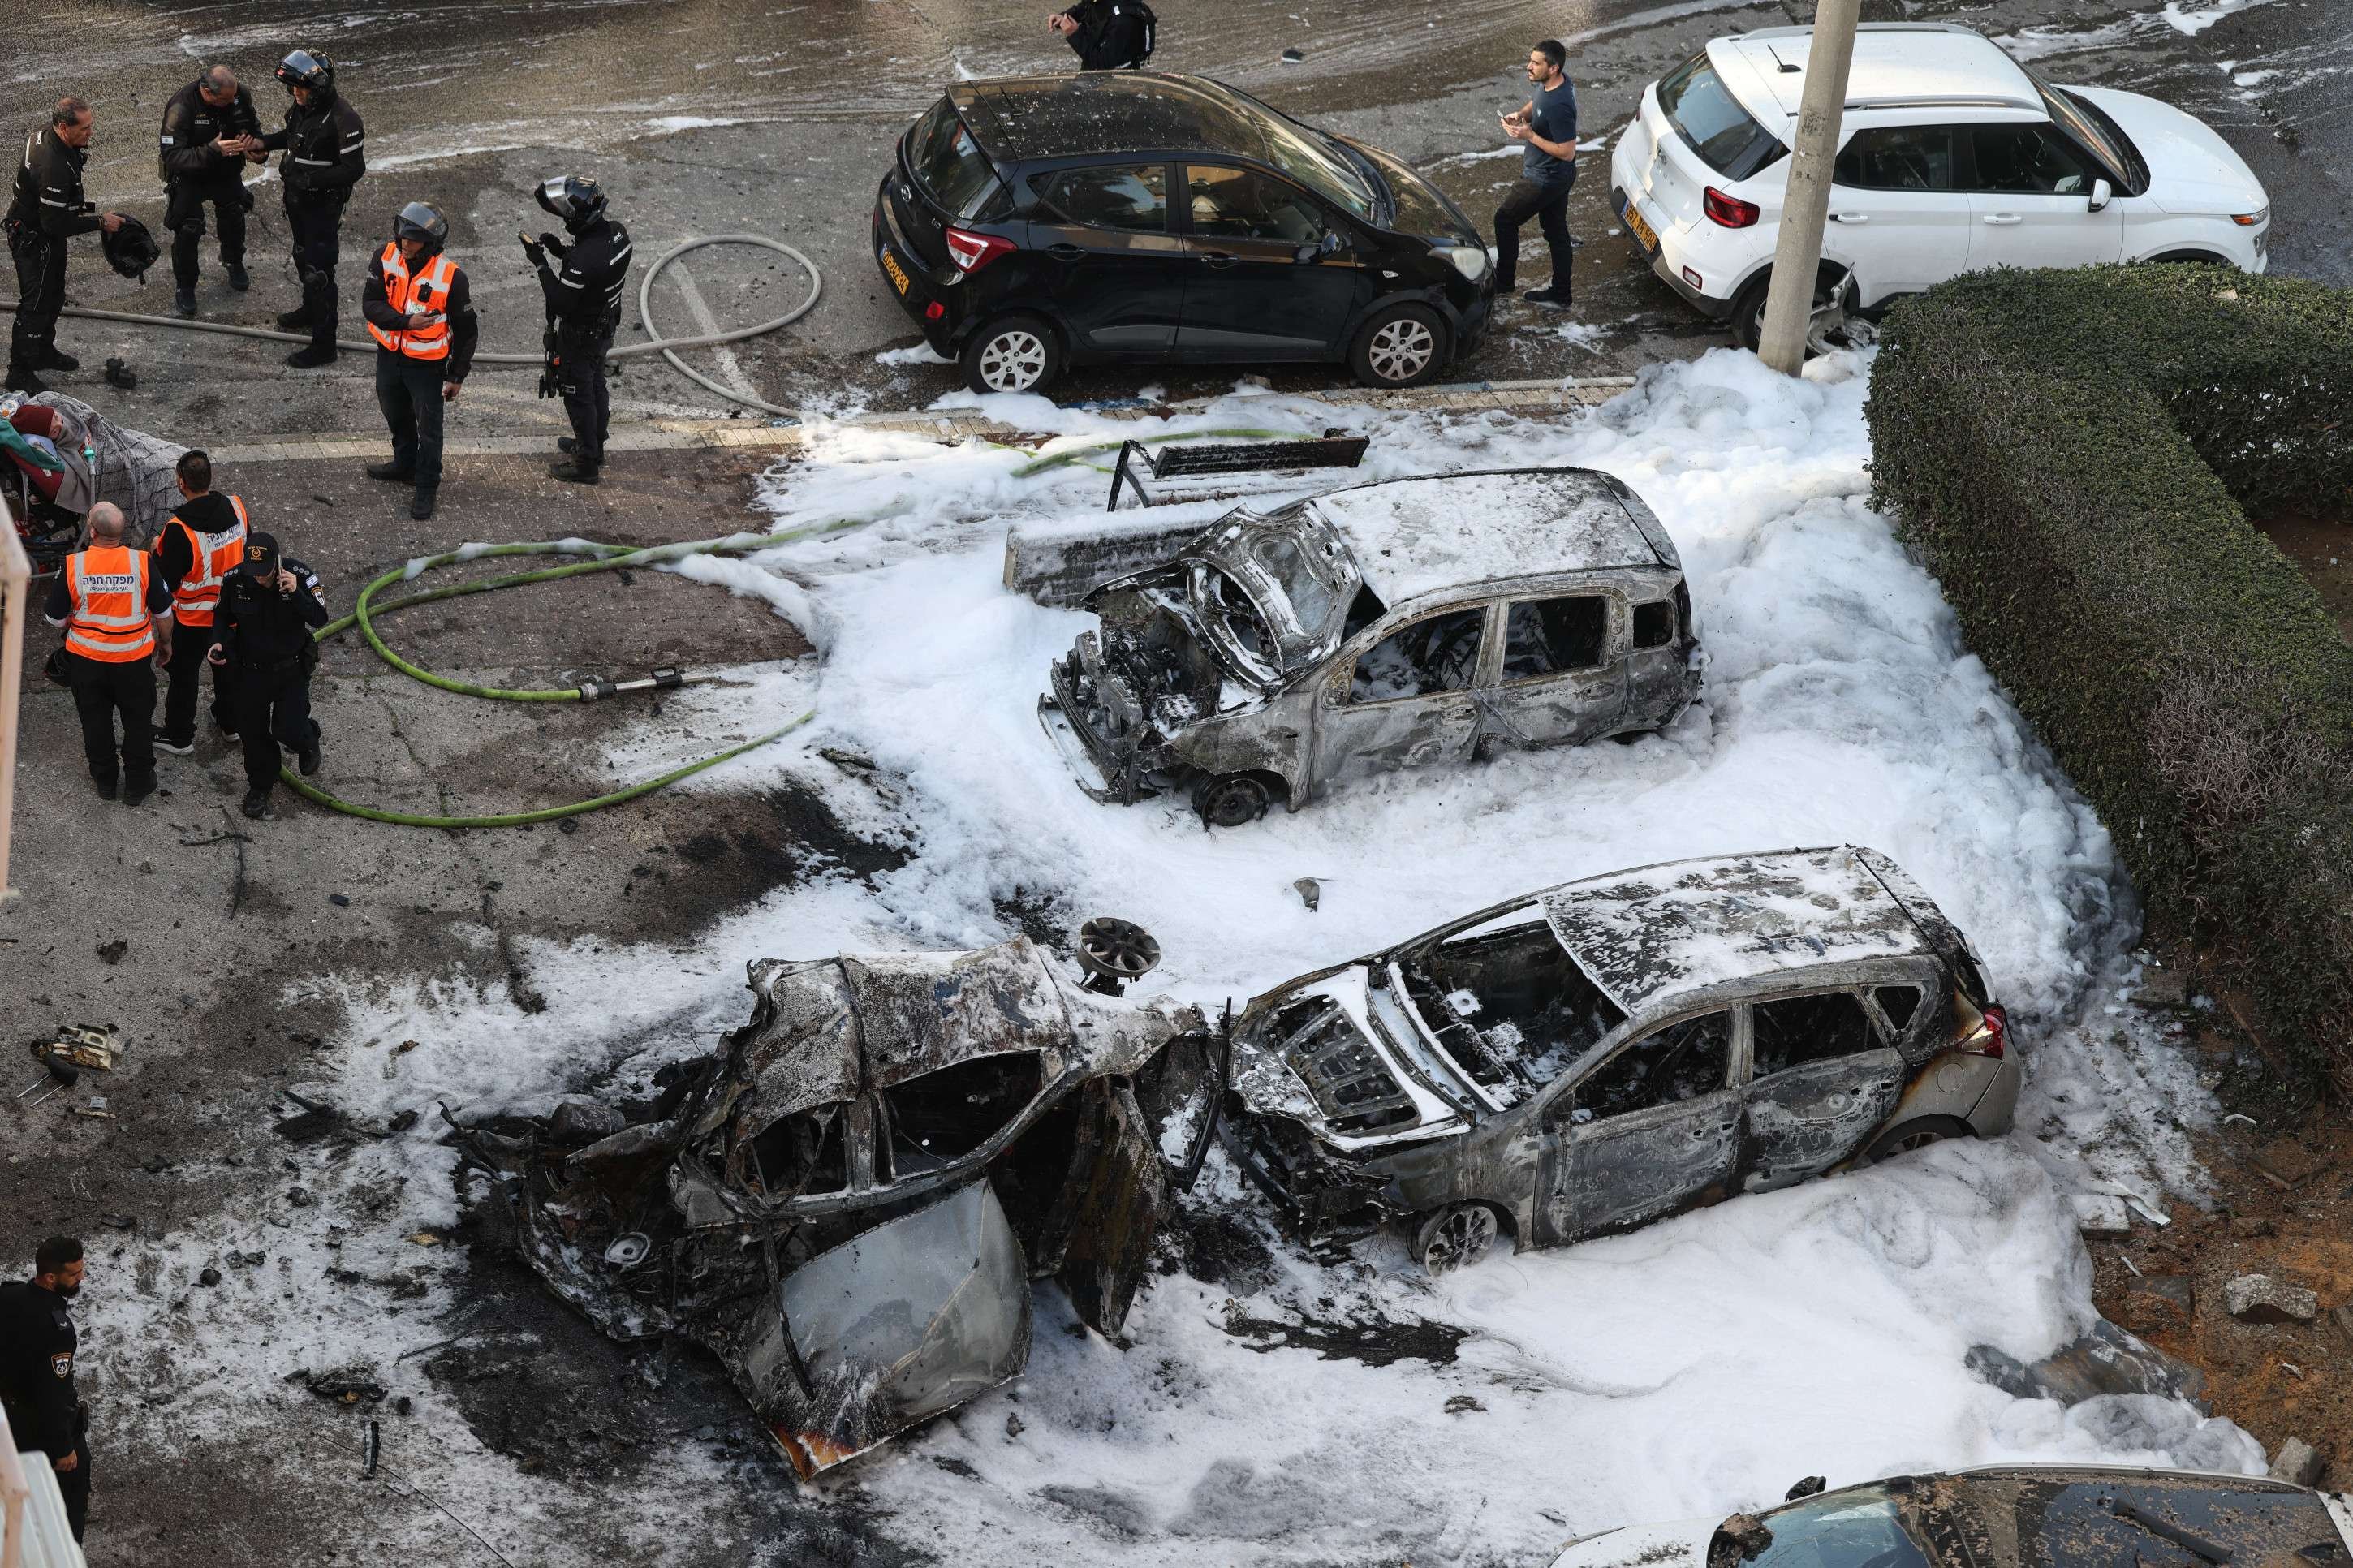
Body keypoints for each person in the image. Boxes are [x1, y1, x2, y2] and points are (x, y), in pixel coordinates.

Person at [44, 502, 172, 805]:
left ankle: (105, 781)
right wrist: (166, 643)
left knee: (95, 722)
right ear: (120, 532)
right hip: (133, 663)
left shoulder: (74, 565)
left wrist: (76, 619)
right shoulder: (141, 562)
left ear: (92, 531)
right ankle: (137, 785)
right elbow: (164, 613)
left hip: (87, 664)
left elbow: (54, 618)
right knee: (138, 722)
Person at [6, 98, 131, 395]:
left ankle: (42, 350)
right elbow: (55, 224)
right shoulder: (52, 166)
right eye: (85, 128)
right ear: (64, 127)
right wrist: (100, 222)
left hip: (44, 234)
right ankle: (19, 371)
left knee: (55, 295)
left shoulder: (46, 132)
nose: (91, 133)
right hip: (35, 239)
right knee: (35, 305)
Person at [361, 202, 477, 522]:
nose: (405, 244)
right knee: (394, 412)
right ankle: (405, 464)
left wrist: (457, 375)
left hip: (427, 367)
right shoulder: (385, 256)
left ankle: (426, 485)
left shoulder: (452, 278)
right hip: (389, 356)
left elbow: (467, 332)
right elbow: (370, 304)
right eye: (402, 236)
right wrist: (405, 322)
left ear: (430, 244)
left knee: (429, 429)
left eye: (413, 240)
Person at [254, 50, 365, 368]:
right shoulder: (302, 108)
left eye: (302, 88)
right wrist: (263, 143)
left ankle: (324, 345)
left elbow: (354, 169)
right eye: (292, 87)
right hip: (297, 201)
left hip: (322, 207)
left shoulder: (345, 119)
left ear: (319, 86)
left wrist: (310, 180)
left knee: (320, 273)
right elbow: (293, 137)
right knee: (302, 256)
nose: (296, 93)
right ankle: (309, 309)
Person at [209, 530, 325, 820]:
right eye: (254, 571)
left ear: (277, 562)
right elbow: (222, 615)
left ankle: (308, 738)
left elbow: (320, 618)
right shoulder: (236, 578)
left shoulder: (300, 575)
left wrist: (296, 593)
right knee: (253, 733)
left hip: (290, 670)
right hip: (250, 671)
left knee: (287, 729)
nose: (259, 577)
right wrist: (217, 641)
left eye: (265, 571)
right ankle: (260, 787)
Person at [525, 174, 631, 484]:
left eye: (567, 216)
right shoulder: (617, 232)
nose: (565, 221)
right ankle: (595, 445)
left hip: (581, 337)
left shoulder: (585, 260)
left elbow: (560, 302)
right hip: (605, 326)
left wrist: (541, 263)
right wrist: (561, 251)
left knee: (578, 395)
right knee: (596, 384)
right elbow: (594, 268)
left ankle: (586, 464)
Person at [150, 449, 248, 754]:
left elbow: (166, 582)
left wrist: (155, 551)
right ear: (209, 478)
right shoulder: (237, 507)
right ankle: (231, 724)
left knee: (184, 677)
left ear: (181, 482)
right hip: (232, 614)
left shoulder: (178, 530)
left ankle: (179, 736)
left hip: (192, 621)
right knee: (228, 670)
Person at [0, 1238, 90, 1544]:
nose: (81, 1277)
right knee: (68, 1508)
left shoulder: (8, 1296)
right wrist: (63, 1448)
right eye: (74, 1274)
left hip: (10, 1420)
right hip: (42, 1431)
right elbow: (54, 1395)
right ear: (51, 1278)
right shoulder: (57, 1331)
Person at [157, 64, 263, 319]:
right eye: (224, 100)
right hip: (190, 174)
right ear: (207, 91)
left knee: (234, 213)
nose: (230, 103)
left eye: (232, 97)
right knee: (189, 228)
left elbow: (253, 128)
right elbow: (171, 155)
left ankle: (233, 260)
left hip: (226, 169)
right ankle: (185, 285)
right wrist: (212, 151)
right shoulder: (181, 107)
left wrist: (258, 149)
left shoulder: (239, 95)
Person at [1496, 40, 1579, 308]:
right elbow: (1538, 100)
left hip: (1546, 177)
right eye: (1530, 60)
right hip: (1555, 174)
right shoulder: (1553, 83)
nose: (1528, 66)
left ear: (1553, 68)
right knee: (1556, 231)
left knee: (1504, 219)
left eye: (1535, 63)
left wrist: (1530, 135)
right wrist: (1521, 114)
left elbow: (1567, 152)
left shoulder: (1560, 107)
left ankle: (1503, 283)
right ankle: (1561, 294)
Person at [1047, 1, 1153, 70]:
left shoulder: (1123, 20)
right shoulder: (1102, 2)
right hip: (1094, 66)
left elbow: (1102, 66)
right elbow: (1087, 6)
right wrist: (1065, 16)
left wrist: (1075, 34)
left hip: (1117, 80)